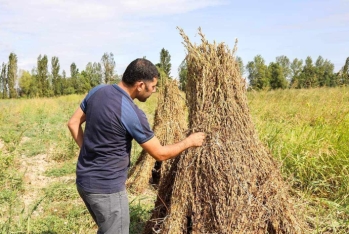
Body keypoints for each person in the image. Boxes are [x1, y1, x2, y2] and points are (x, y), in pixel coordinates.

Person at [67, 58, 205, 234]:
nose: (153, 91)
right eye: (152, 87)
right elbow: (160, 154)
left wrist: (88, 150)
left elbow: (73, 123)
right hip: (107, 190)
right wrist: (189, 142)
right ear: (140, 85)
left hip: (84, 182)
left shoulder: (98, 91)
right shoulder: (131, 112)